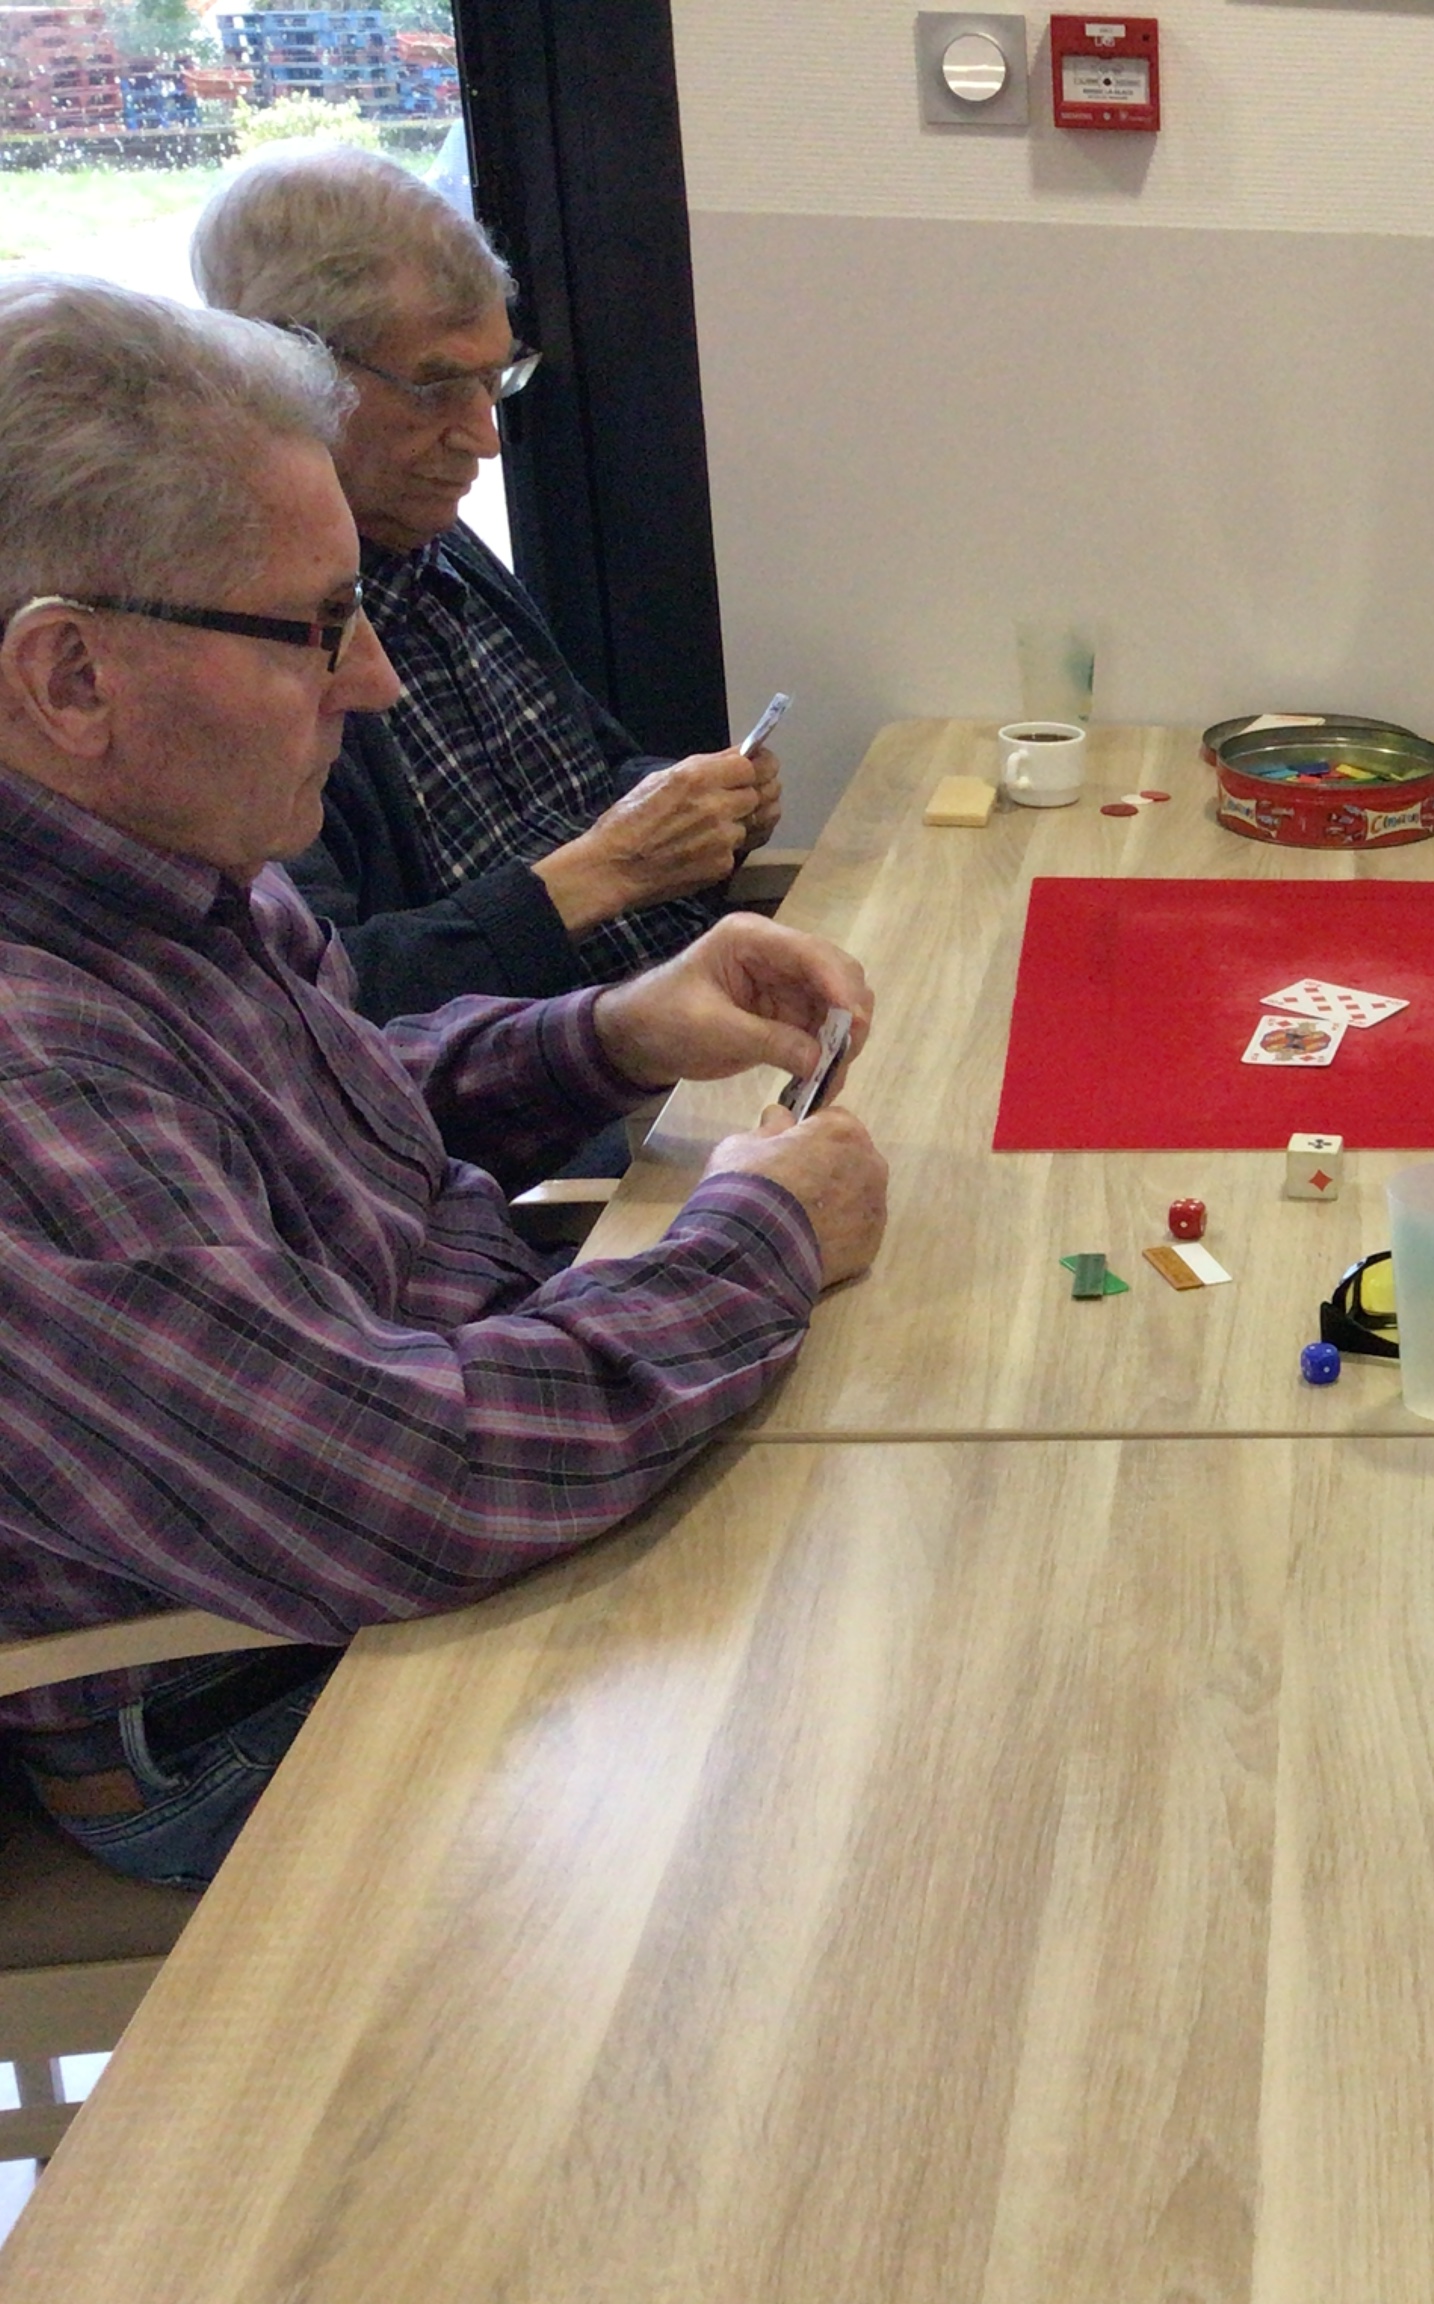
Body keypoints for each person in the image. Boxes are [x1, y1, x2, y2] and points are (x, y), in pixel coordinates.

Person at [0, 273, 887, 1887]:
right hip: (246, 1685)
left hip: (418, 1478)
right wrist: (757, 1240)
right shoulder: (30, 1057)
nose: (373, 682)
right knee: (850, 1765)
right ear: (70, 678)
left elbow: (311, 1115)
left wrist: (613, 1030)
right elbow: (402, 1483)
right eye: (315, 629)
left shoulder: (160, 861)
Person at [190, 145, 776, 1022]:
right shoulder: (235, 643)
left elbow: (590, 773)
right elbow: (320, 1006)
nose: (486, 438)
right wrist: (600, 874)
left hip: (673, 995)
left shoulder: (439, 544)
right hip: (558, 1071)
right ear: (283, 365)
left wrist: (700, 804)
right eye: (436, 387)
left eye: (493, 380)